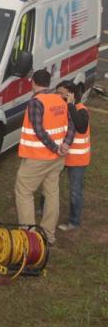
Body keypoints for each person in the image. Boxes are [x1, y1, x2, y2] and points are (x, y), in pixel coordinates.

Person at [13, 69, 74, 243]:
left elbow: (39, 130)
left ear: (33, 83)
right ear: (49, 83)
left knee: (24, 191)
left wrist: (55, 147)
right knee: (52, 193)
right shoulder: (60, 100)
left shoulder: (36, 102)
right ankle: (48, 234)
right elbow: (72, 125)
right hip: (57, 159)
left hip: (38, 157)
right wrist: (65, 145)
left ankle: (29, 237)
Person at [58, 80, 90, 232]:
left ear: (71, 95)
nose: (58, 96)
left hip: (77, 159)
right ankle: (43, 208)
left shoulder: (80, 109)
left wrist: (70, 106)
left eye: (62, 94)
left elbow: (81, 127)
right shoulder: (61, 108)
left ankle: (74, 221)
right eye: (57, 93)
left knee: (75, 190)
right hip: (60, 155)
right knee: (50, 183)